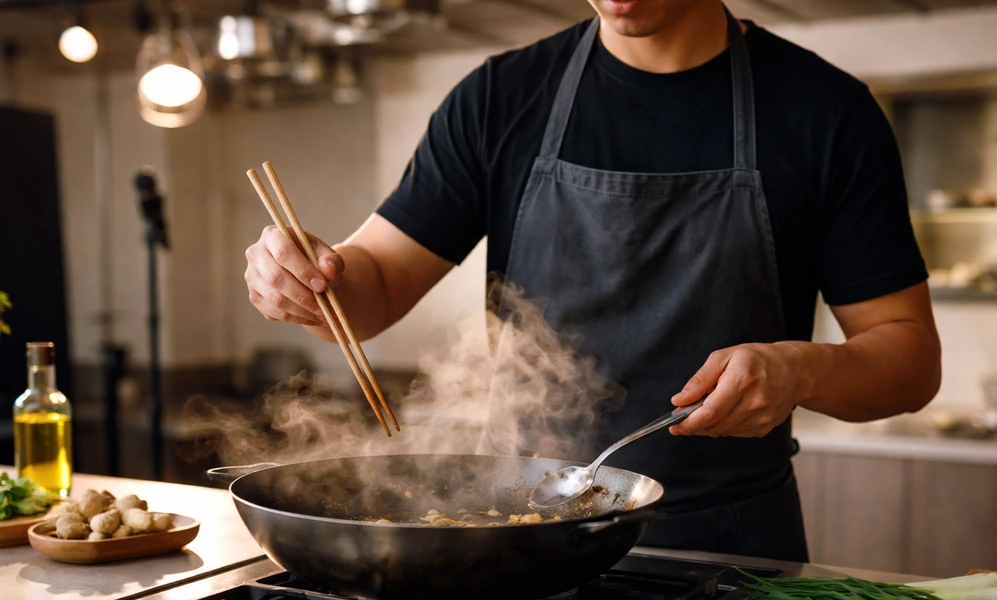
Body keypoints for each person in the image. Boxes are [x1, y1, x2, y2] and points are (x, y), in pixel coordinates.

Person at [243, 0, 941, 562]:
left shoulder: (826, 113)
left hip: (728, 556)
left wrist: (800, 370)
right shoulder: (499, 97)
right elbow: (374, 286)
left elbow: (909, 361)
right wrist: (309, 278)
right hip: (514, 537)